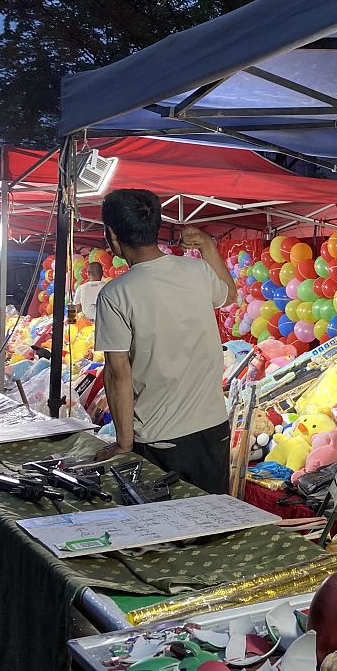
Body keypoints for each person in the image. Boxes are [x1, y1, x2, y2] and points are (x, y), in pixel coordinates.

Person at [95, 189, 237, 493]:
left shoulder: (116, 294)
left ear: (112, 236)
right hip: (213, 430)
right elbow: (230, 294)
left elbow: (118, 371)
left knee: (167, 533)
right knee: (214, 527)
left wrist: (123, 442)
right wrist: (208, 246)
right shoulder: (197, 270)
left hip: (161, 438)